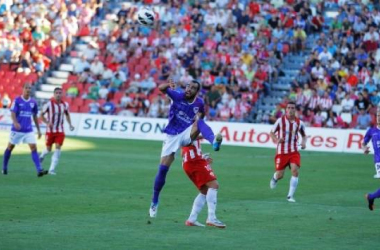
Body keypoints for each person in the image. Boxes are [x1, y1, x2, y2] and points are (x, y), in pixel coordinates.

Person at [149, 78, 223, 218]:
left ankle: (214, 142)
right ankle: (154, 201)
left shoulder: (199, 103)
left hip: (186, 133)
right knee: (163, 169)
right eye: (188, 86)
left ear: (197, 92)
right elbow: (161, 88)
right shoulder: (177, 95)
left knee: (199, 122)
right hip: (171, 135)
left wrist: (196, 128)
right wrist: (168, 86)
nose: (189, 89)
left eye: (193, 88)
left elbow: (201, 114)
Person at [2, 83, 48, 177]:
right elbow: (13, 113)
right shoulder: (17, 100)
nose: (28, 89)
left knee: (34, 148)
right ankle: (4, 167)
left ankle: (39, 169)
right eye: (26, 88)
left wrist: (38, 130)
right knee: (10, 147)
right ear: (23, 89)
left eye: (29, 88)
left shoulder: (33, 102)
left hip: (28, 130)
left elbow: (35, 116)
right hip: (16, 130)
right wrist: (15, 122)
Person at [182, 139, 226, 228]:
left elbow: (185, 150)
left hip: (188, 162)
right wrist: (211, 137)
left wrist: (200, 156)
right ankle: (211, 218)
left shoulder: (186, 131)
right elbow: (196, 135)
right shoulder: (193, 127)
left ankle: (192, 219)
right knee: (214, 185)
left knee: (205, 191)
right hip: (194, 163)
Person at [269, 101, 307, 202]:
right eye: (289, 108)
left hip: (294, 151)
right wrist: (277, 140)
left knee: (295, 171)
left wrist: (304, 143)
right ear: (286, 110)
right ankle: (275, 178)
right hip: (282, 152)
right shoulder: (280, 121)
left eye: (292, 108)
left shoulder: (299, 123)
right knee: (280, 175)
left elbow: (304, 135)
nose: (290, 109)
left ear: (295, 110)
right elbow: (271, 133)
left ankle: (290, 196)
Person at [39, 88, 75, 175]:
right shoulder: (48, 104)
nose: (58, 94)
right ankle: (42, 155)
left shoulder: (65, 105)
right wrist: (47, 123)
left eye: (60, 93)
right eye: (57, 93)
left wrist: (70, 124)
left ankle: (52, 169)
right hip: (50, 131)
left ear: (62, 94)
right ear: (54, 94)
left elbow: (67, 114)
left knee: (58, 148)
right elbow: (41, 115)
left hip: (60, 130)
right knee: (48, 149)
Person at [363, 110, 380, 209]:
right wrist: (364, 148)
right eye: (378, 115)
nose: (379, 117)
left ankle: (371, 197)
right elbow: (364, 143)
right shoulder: (371, 131)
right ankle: (371, 197)